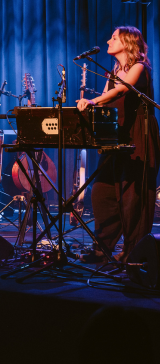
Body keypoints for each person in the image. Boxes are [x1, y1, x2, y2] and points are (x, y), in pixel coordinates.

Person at [77, 26, 160, 262]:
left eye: (114, 38)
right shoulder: (111, 73)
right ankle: (102, 249)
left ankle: (134, 252)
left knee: (133, 196)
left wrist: (92, 101)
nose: (108, 40)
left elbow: (121, 91)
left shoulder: (139, 68)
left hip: (139, 134)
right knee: (102, 192)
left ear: (128, 42)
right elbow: (106, 104)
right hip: (117, 135)